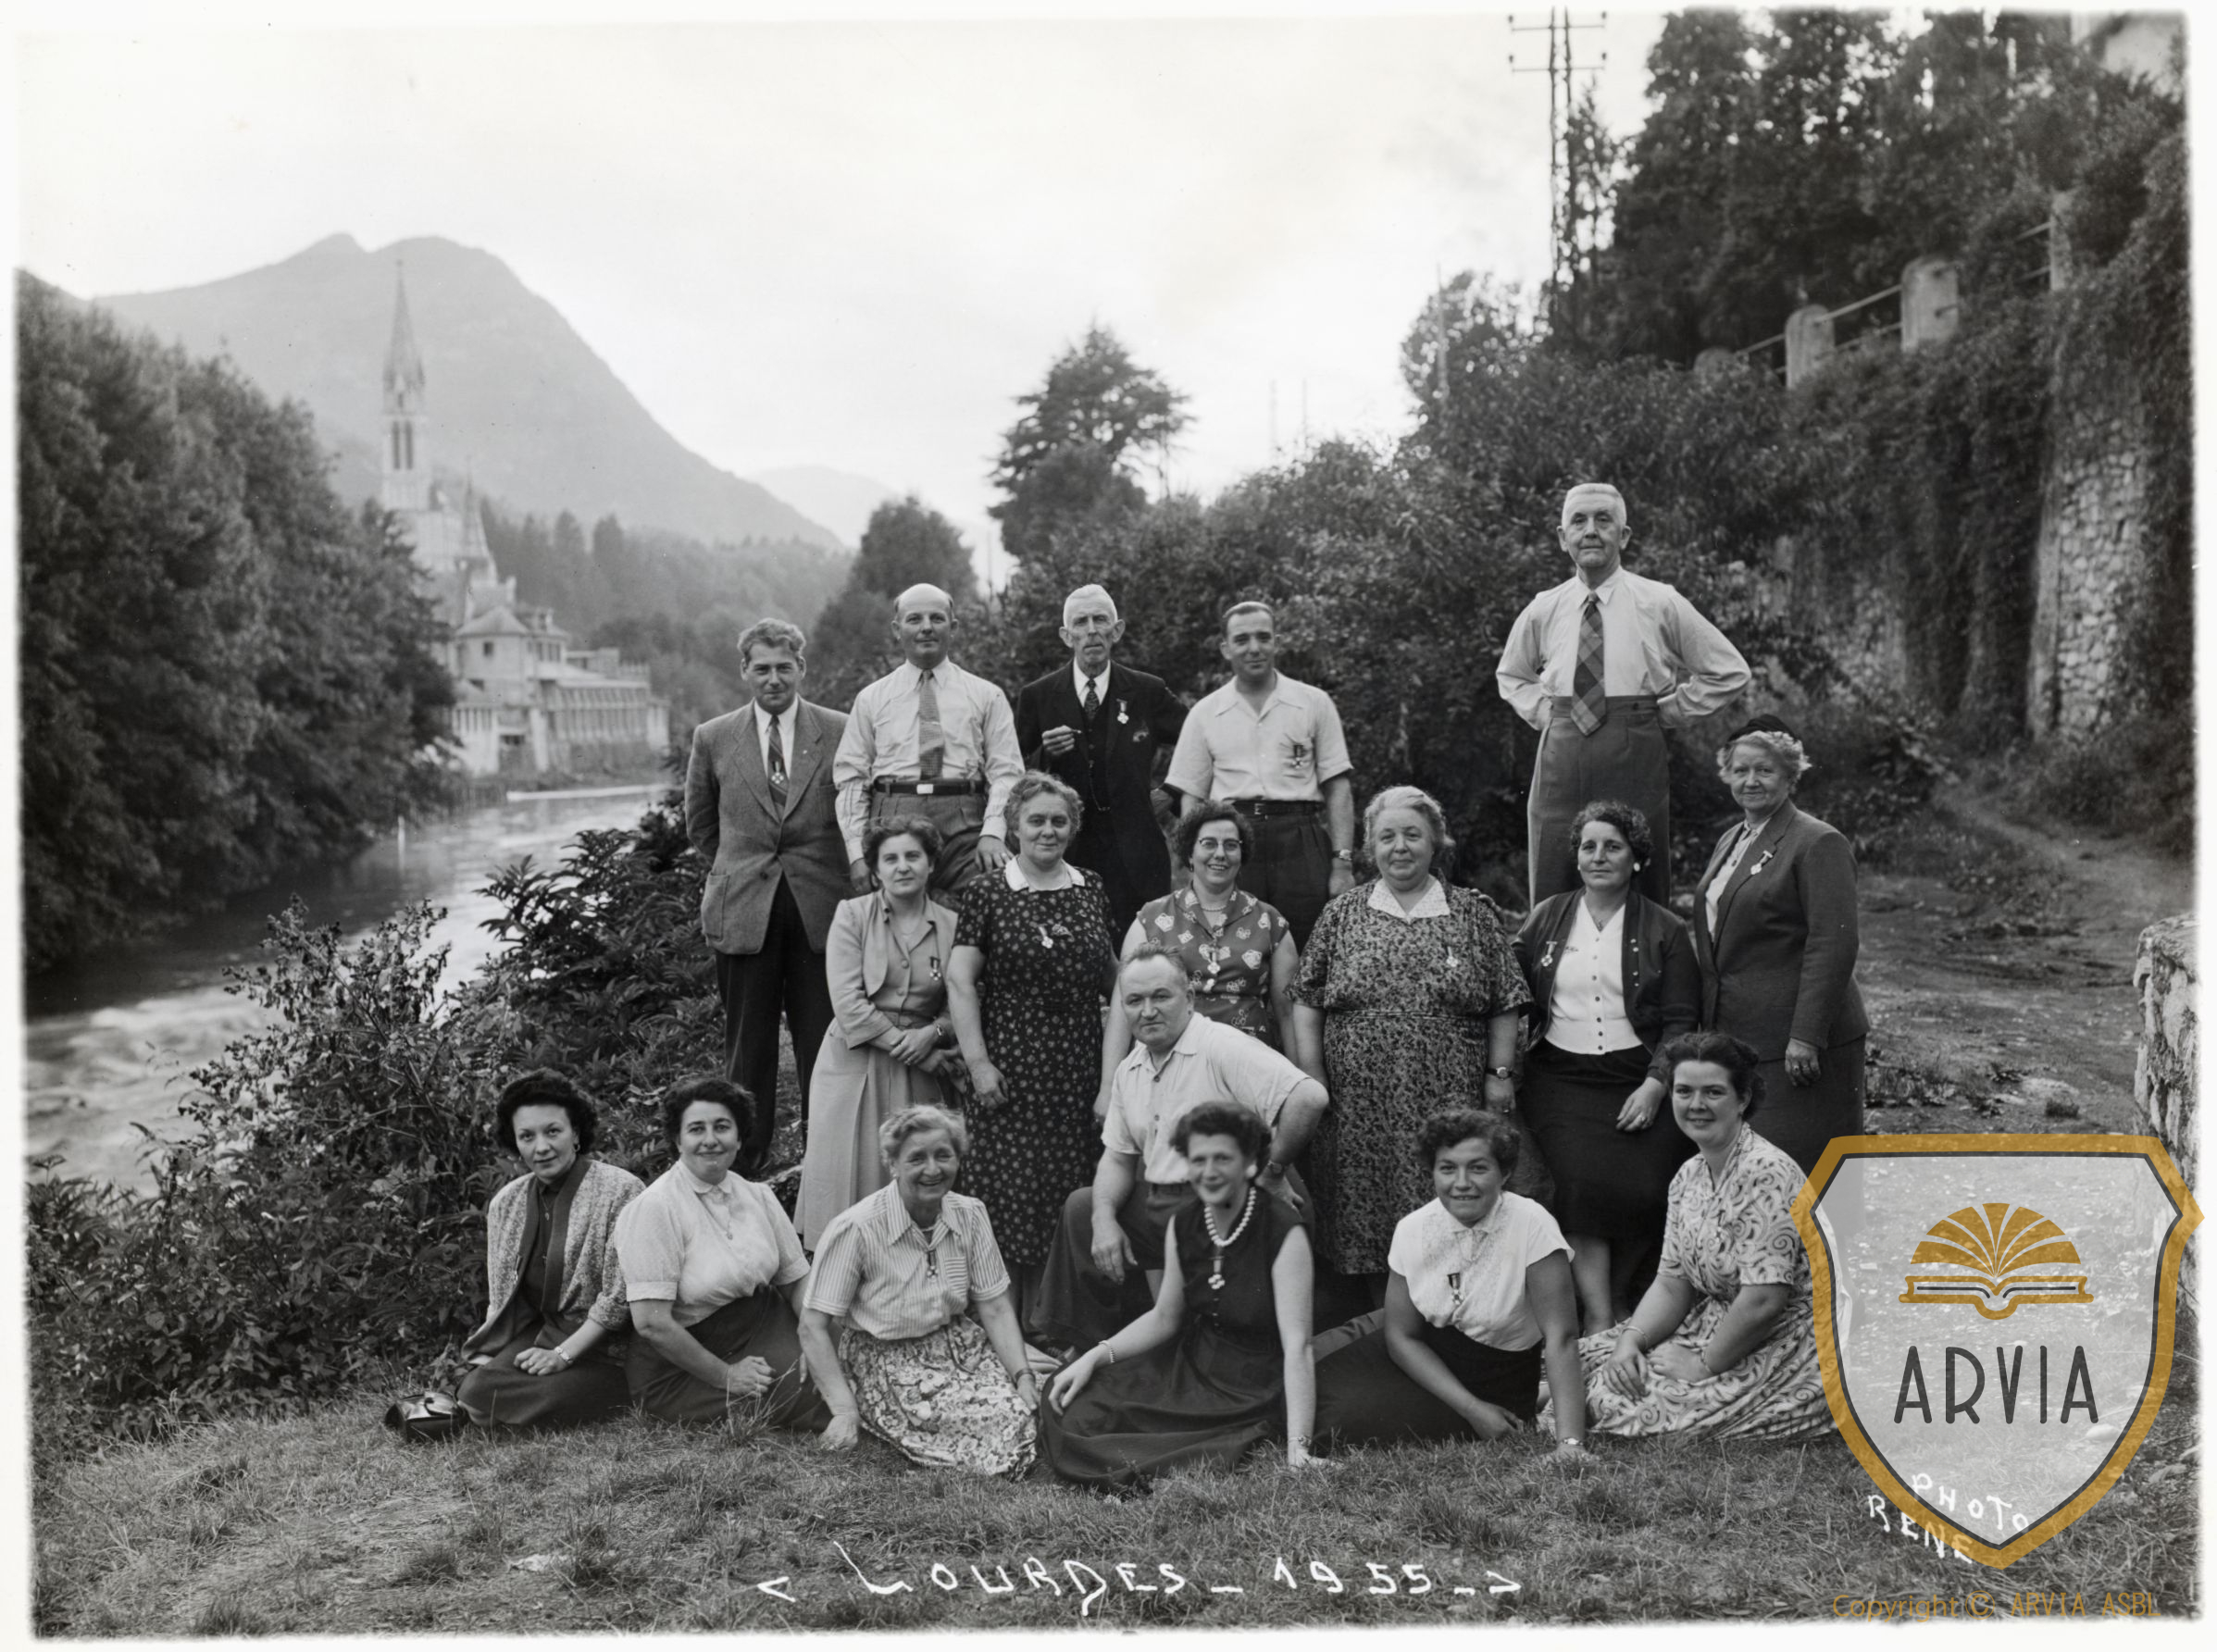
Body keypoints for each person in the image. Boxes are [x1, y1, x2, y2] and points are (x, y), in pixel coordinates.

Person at [1031, 946, 1328, 1353]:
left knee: (1229, 1346)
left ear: (1188, 998)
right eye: (1134, 1001)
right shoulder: (1130, 1068)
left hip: (1237, 1208)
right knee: (1083, 1209)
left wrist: (1273, 1170)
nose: (1147, 1011)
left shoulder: (1221, 1045)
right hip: (1173, 1207)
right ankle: (1084, 1350)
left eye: (1161, 996)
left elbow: (1309, 1098)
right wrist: (1104, 1218)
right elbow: (1117, 1157)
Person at [1291, 786, 1529, 1284]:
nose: (1399, 847)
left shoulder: (1472, 913)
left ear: (1435, 842)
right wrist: (1313, 1073)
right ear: (1370, 847)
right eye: (1387, 837)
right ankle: (1379, 1313)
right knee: (1362, 1200)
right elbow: (1307, 997)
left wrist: (1499, 1074)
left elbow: (1505, 1000)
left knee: (1443, 1191)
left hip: (1447, 1092)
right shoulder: (1342, 913)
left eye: (1412, 835)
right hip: (1357, 1101)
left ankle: (1447, 1304)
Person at [1556, 1033, 1830, 1442]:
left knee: (1621, 1402)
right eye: (1684, 1091)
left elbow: (1764, 1301)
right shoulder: (1688, 1175)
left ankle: (1560, 1401)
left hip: (1790, 1340)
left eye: (1713, 1092)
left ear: (1742, 1099)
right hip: (1716, 1322)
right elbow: (1672, 1282)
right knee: (1587, 1359)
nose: (1696, 1104)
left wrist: (1703, 1365)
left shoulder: (1766, 1172)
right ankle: (1558, 1394)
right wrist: (1631, 1341)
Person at [1496, 482, 1750, 907]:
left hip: (1635, 746)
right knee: (1555, 867)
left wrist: (1669, 712)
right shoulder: (1545, 607)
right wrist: (1547, 714)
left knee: (1637, 865)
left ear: (1624, 535)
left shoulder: (1659, 601)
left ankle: (1643, 951)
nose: (1590, 531)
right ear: (1562, 537)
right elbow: (1512, 675)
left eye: (1603, 520)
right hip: (1562, 750)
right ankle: (1551, 951)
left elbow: (1728, 670)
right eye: (1578, 521)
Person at [1040, 1103, 1316, 1486]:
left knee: (1146, 1444)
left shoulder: (1282, 1230)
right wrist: (1094, 1357)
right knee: (1070, 1398)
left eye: (1223, 1158)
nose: (1209, 1172)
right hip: (1192, 1363)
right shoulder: (1186, 1223)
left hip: (1250, 1387)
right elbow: (1164, 1317)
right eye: (1198, 1160)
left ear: (1250, 1164)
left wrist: (1298, 1450)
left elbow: (1299, 1346)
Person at [1513, 800, 1700, 1332]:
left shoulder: (1665, 928)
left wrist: (1656, 1084)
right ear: (1576, 856)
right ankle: (1598, 1313)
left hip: (1637, 1074)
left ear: (1635, 859)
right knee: (1577, 1186)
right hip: (1561, 1078)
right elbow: (1509, 983)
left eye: (1612, 847)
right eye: (1588, 846)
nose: (1598, 857)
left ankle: (1620, 1296)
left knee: (1650, 1184)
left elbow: (1681, 1018)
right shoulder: (1547, 916)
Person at [1312, 1111, 1587, 1456]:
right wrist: (1471, 1408)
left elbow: (1562, 1337)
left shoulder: (1531, 1222)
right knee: (1313, 1391)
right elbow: (1402, 1337)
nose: (1462, 1182)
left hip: (1498, 1377)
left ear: (1505, 1173)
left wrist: (1570, 1444)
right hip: (1423, 1360)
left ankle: (1540, 1396)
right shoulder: (1412, 1228)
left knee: (1340, 1422)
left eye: (1478, 1168)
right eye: (1447, 1168)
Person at [946, 773, 1120, 1303]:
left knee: (1070, 1186)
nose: (1048, 830)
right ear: (1014, 827)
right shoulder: (987, 891)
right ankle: (1005, 1316)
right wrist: (978, 1064)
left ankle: (1059, 1317)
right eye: (1036, 820)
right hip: (1010, 1067)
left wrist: (1113, 1074)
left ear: (1073, 827)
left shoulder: (1091, 886)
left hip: (1077, 1066)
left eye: (1059, 821)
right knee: (1009, 1189)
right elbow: (960, 981)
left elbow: (1114, 979)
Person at [684, 617, 850, 1170]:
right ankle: (745, 1165)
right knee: (747, 1048)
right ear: (744, 671)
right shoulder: (713, 737)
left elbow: (856, 815)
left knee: (823, 1042)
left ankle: (823, 1162)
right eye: (762, 669)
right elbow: (701, 826)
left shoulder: (840, 730)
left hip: (820, 913)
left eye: (784, 668)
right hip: (743, 911)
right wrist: (744, 869)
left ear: (801, 668)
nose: (773, 679)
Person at [798, 1105, 1040, 1476]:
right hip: (890, 1363)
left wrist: (1022, 1375)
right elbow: (812, 1325)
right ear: (892, 1164)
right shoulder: (857, 1228)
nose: (933, 1169)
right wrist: (844, 1411)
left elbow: (994, 1306)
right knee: (1008, 1417)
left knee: (1046, 1390)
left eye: (943, 1155)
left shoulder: (970, 1213)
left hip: (959, 1344)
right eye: (916, 1158)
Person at [1691, 716, 1869, 1176]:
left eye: (1765, 770)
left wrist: (1806, 1036)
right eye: (1741, 770)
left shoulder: (1818, 841)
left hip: (1797, 1043)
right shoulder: (1733, 838)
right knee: (1756, 1175)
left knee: (1806, 1172)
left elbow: (1833, 943)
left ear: (1791, 776)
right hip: (1742, 1036)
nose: (1751, 781)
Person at [614, 1076, 829, 1431]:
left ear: (739, 1137)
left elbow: (797, 1282)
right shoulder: (655, 1208)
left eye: (722, 1127)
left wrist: (814, 1338)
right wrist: (727, 1375)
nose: (711, 1139)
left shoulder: (758, 1196)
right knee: (811, 1389)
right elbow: (652, 1324)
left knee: (841, 1357)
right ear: (677, 1140)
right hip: (685, 1361)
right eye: (696, 1129)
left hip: (764, 1321)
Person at [794, 818, 961, 1248]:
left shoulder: (952, 924)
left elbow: (960, 1000)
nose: (902, 866)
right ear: (875, 869)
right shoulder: (852, 915)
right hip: (854, 1061)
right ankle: (841, 1271)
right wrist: (917, 1049)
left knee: (915, 1167)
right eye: (891, 859)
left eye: (913, 856)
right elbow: (847, 1002)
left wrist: (934, 1033)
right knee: (849, 1170)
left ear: (931, 864)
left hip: (920, 1071)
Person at [455, 1070, 644, 1430]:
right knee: (475, 1396)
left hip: (610, 1346)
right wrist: (492, 1359)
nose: (541, 1147)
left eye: (553, 1131)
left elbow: (618, 1299)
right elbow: (501, 1300)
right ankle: (539, 1399)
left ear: (576, 1133)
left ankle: (613, 1392)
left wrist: (563, 1355)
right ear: (515, 1143)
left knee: (484, 1404)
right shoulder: (506, 1203)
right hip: (543, 1334)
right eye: (527, 1136)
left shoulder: (621, 1190)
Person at [1165, 601, 1355, 948]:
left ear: (1277, 642)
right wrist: (1197, 862)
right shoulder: (1205, 713)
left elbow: (1338, 788)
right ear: (1226, 648)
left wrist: (1342, 864)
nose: (1254, 648)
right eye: (1242, 640)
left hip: (1300, 839)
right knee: (1235, 947)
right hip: (1234, 840)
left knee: (1308, 945)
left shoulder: (1314, 703)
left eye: (1263, 637)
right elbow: (1191, 796)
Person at [1014, 583, 1188, 938]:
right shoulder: (1038, 696)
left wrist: (1171, 791)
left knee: (1144, 949)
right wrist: (1046, 754)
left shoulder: (1147, 691)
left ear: (1117, 630)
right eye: (1081, 622)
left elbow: (1198, 741)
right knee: (1067, 946)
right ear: (1066, 636)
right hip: (1064, 850)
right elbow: (1012, 771)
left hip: (1137, 852)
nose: (1091, 631)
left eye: (1100, 620)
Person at [833, 582, 1023, 899]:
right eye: (914, 619)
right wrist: (856, 852)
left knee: (980, 906)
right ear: (897, 630)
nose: (926, 628)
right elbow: (852, 779)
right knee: (896, 916)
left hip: (965, 821)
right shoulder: (871, 699)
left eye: (936, 618)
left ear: (953, 627)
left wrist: (993, 832)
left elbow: (1006, 771)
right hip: (893, 818)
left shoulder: (986, 695)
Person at [1115, 801, 1298, 1051]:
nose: (1220, 854)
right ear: (1190, 853)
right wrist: (1112, 1076)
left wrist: (1299, 1072)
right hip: (1172, 1059)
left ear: (1241, 855)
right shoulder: (1151, 919)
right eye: (1209, 843)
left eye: (1231, 845)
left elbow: (1287, 1013)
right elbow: (1122, 1009)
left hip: (1248, 1061)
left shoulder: (1270, 922)